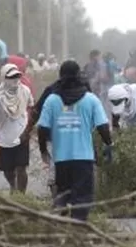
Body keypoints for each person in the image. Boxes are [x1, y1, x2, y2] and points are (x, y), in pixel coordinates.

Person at [37, 60, 113, 221]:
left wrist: (43, 150)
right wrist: (109, 144)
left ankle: (63, 227)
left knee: (63, 196)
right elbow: (103, 127)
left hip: (61, 160)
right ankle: (78, 230)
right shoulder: (91, 99)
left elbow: (42, 129)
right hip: (84, 159)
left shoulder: (51, 100)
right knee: (82, 198)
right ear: (79, 75)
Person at [0, 64, 35, 193]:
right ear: (4, 78)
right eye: (11, 77)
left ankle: (21, 197)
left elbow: (32, 106)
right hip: (4, 138)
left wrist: (28, 127)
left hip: (22, 136)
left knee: (21, 168)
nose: (15, 80)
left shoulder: (25, 90)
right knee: (8, 170)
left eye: (17, 76)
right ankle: (12, 186)